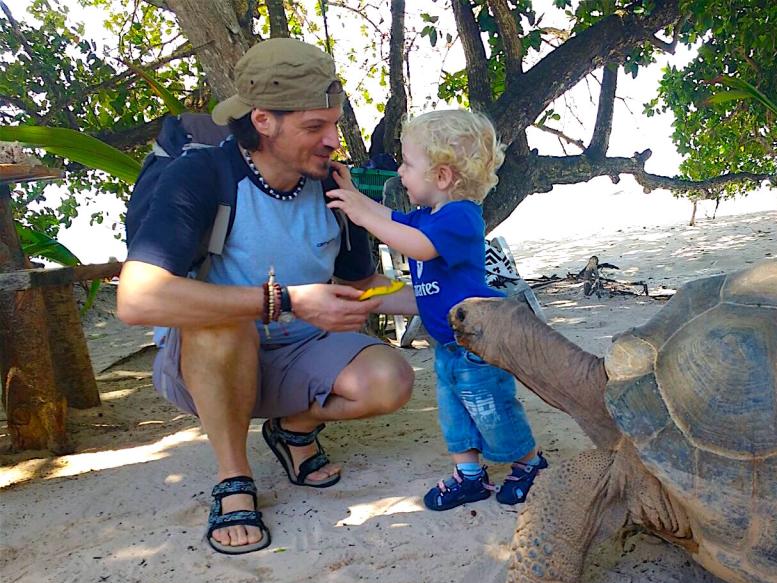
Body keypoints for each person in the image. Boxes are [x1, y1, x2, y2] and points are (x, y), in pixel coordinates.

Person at [117, 38, 418, 555]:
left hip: (297, 351)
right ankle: (234, 477)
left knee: (389, 380)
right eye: (313, 127)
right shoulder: (202, 175)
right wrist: (286, 301)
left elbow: (362, 287)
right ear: (262, 120)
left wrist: (452, 299)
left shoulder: (331, 186)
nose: (332, 140)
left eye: (334, 123)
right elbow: (136, 299)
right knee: (223, 325)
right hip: (209, 359)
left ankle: (293, 430)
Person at [327, 109, 548, 511]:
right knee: (454, 415)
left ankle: (530, 464)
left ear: (442, 177)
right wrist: (355, 199)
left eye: (408, 164)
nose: (399, 170)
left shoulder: (461, 217)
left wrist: (360, 216)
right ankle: (469, 476)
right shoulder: (427, 217)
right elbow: (392, 219)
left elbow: (417, 247)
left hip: (478, 345)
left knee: (493, 410)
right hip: (447, 347)